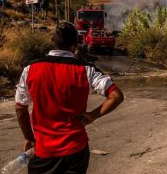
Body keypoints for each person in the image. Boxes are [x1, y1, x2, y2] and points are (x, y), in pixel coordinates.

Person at [15, 22, 124, 174]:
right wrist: (93, 115)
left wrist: (29, 138)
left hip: (43, 152)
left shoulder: (30, 69)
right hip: (75, 151)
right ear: (75, 44)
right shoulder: (86, 69)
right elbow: (116, 96)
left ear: (53, 41)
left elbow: (20, 108)